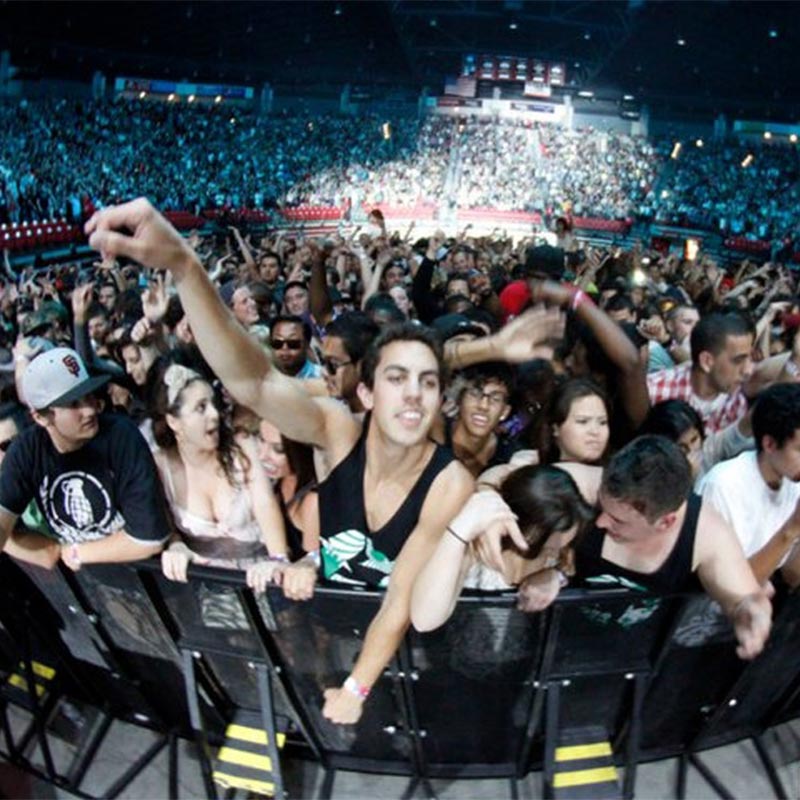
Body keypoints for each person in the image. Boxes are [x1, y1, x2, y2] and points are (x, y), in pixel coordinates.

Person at [85, 198, 474, 726]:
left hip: (403, 647)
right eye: (397, 379)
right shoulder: (339, 432)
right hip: (323, 630)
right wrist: (184, 266)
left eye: (427, 382)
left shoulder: (449, 480)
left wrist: (358, 688)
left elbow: (401, 595)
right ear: (365, 394)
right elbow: (253, 382)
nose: (412, 395)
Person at [515, 436, 771, 660]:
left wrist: (752, 615)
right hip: (553, 645)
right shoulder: (583, 483)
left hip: (632, 663)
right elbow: (501, 479)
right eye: (602, 508)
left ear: (665, 522)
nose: (602, 521)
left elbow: (743, 599)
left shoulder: (706, 533)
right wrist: (556, 574)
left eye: (618, 520)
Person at [152, 363, 316, 599]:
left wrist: (278, 559)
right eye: (201, 408)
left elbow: (265, 504)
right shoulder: (160, 465)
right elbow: (165, 524)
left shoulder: (242, 447)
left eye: (213, 404)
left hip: (262, 580)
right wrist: (176, 546)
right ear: (174, 421)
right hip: (209, 589)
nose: (214, 414)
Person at [0, 347, 170, 568]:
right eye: (73, 404)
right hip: (92, 587)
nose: (89, 410)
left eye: (89, 396)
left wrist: (75, 552)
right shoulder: (28, 449)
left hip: (148, 580)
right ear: (41, 417)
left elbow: (149, 539)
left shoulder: (120, 435)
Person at [411, 466, 594, 631]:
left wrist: (555, 576)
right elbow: (424, 620)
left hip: (529, 661)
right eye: (545, 548)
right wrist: (459, 533)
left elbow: (568, 570)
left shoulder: (561, 542)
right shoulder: (475, 547)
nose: (555, 553)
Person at [699, 383, 800, 586]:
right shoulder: (722, 486)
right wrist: (792, 528)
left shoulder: (793, 479)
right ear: (769, 444)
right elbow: (731, 587)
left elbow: (792, 575)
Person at [647, 312, 755, 434]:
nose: (748, 370)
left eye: (750, 358)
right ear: (707, 361)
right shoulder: (655, 391)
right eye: (738, 360)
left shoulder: (738, 401)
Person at [640, 399, 753, 481]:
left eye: (694, 440)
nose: (691, 450)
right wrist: (690, 478)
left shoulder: (707, 450)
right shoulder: (654, 477)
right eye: (682, 447)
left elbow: (740, 430)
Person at [256, 418, 319, 561]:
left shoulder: (312, 501)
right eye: (261, 440)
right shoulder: (277, 479)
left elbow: (312, 562)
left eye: (278, 449)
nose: (262, 455)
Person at [535, 378, 610, 465]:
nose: (595, 431)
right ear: (555, 428)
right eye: (583, 421)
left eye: (602, 422)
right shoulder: (538, 475)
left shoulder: (620, 474)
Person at [270, 315, 323, 379]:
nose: (284, 348)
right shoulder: (264, 380)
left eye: (293, 343)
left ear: (306, 344)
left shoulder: (322, 378)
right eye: (277, 343)